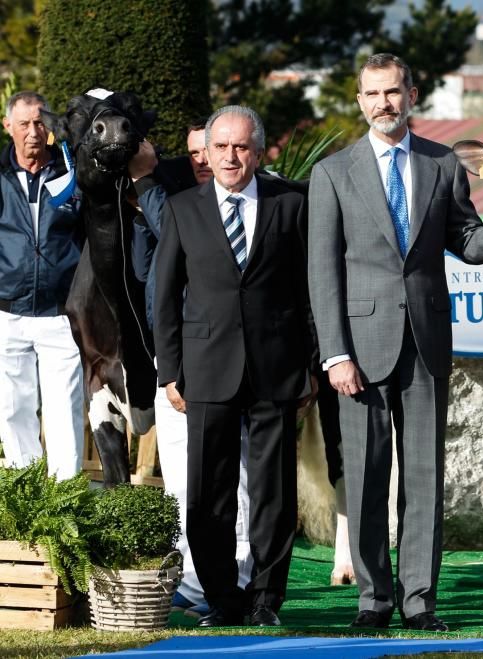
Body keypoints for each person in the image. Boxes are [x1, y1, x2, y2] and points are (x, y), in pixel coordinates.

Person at [307, 53, 483, 632]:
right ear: (359, 101)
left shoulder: (441, 164)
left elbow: (466, 242)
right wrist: (335, 353)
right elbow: (322, 273)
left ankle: (420, 599)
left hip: (426, 342)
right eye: (373, 94)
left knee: (425, 478)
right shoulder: (332, 174)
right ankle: (374, 601)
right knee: (370, 475)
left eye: (394, 92)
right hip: (359, 349)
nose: (384, 104)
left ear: (412, 94)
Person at [154, 105, 316, 627]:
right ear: (207, 152)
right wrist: (170, 371)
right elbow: (165, 296)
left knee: (274, 492)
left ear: (259, 151)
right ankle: (222, 599)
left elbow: (310, 289)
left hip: (277, 368)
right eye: (220, 147)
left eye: (240, 146)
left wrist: (311, 363)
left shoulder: (292, 204)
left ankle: (267, 599)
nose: (229, 156)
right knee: (209, 493)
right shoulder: (183, 208)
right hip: (205, 370)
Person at [128, 121, 253, 618]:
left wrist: (145, 185)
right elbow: (144, 271)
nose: (207, 159)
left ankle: (239, 577)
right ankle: (199, 580)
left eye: (218, 148)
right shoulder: (176, 205)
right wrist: (142, 215)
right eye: (198, 152)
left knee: (235, 473)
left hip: (226, 356)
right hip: (176, 354)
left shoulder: (230, 207)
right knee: (183, 477)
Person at [0, 91, 84, 480]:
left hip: (61, 310)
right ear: (8, 128)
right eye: (23, 124)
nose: (33, 132)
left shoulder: (70, 171)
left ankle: (65, 500)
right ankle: (25, 493)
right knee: (11, 407)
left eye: (39, 123)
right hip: (8, 309)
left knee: (63, 407)